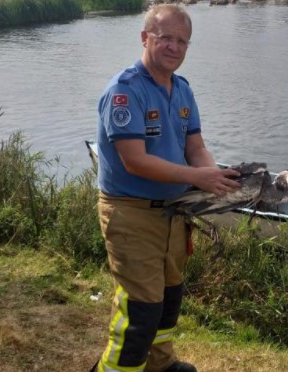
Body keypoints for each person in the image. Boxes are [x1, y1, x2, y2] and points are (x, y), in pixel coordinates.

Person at [93, 4, 241, 372]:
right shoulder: (125, 92)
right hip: (131, 213)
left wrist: (215, 178)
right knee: (141, 309)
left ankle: (160, 365)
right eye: (165, 38)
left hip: (175, 212)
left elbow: (196, 147)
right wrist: (197, 178)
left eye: (182, 41)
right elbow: (135, 160)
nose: (174, 47)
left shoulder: (183, 90)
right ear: (145, 38)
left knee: (169, 297)